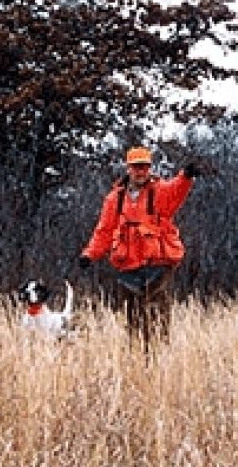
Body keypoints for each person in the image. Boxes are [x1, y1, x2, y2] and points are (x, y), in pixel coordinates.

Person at [78, 146, 207, 347]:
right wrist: (89, 254)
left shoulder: (160, 191)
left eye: (145, 167)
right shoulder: (115, 199)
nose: (141, 171)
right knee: (133, 317)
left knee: (157, 314)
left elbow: (176, 190)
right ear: (128, 168)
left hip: (157, 264)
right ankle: (138, 356)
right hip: (128, 267)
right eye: (137, 167)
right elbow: (104, 231)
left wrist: (186, 176)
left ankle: (158, 355)